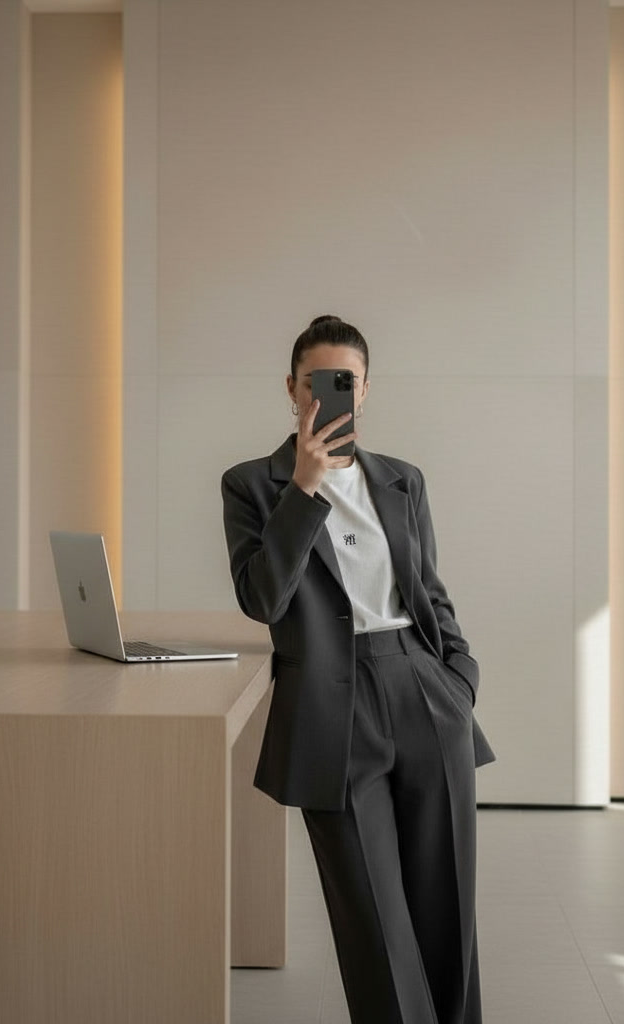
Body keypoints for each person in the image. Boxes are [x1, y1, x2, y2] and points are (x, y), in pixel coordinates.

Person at [221, 314, 494, 1024]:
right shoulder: (253, 485)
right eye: (317, 382)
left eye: (345, 382)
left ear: (365, 390)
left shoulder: (402, 480)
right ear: (292, 387)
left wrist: (458, 679)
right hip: (328, 708)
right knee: (371, 920)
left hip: (422, 691)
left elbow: (429, 590)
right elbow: (262, 597)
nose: (329, 397)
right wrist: (303, 491)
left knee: (447, 907)